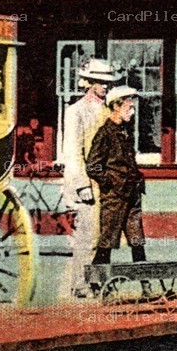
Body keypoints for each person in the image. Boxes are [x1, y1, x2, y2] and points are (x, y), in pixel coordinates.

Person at [58, 57, 117, 299]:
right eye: (100, 82)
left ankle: (98, 281)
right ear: (89, 82)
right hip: (86, 183)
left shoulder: (109, 111)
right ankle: (79, 283)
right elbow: (72, 151)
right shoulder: (75, 112)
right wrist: (82, 185)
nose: (105, 87)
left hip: (108, 182)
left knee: (106, 236)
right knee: (88, 236)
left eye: (108, 83)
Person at [84, 86, 148, 282]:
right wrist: (111, 183)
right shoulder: (105, 133)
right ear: (116, 106)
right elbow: (93, 166)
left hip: (132, 194)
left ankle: (146, 285)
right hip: (114, 197)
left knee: (137, 240)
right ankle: (96, 283)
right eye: (129, 107)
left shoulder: (125, 131)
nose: (133, 111)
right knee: (107, 241)